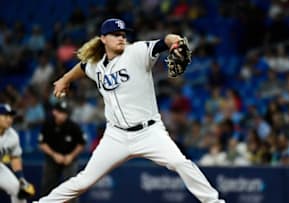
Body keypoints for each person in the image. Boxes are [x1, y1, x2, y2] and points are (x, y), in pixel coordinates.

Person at [34, 18, 225, 203]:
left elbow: (165, 41)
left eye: (123, 34)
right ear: (103, 39)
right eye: (115, 34)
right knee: (84, 181)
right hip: (116, 136)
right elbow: (83, 67)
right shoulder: (96, 66)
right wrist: (65, 79)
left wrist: (175, 42)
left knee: (180, 163)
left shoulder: (137, 52)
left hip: (149, 132)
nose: (121, 38)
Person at [38, 101, 86, 203]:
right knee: (48, 186)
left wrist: (71, 156)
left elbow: (81, 143)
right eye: (61, 112)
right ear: (54, 112)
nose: (63, 115)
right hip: (52, 159)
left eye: (65, 113)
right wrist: (54, 155)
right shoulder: (48, 124)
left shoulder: (73, 126)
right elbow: (42, 143)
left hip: (69, 159)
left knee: (71, 187)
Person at [0, 104, 33, 203]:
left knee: (18, 189)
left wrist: (21, 178)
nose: (9, 119)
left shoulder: (13, 136)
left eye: (11, 116)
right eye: (5, 116)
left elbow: (15, 158)